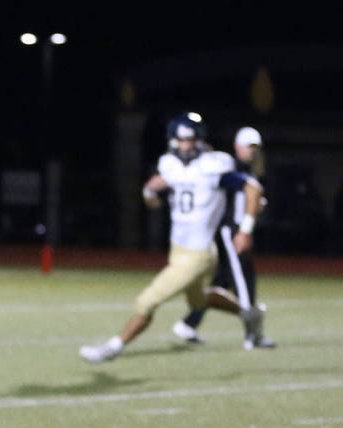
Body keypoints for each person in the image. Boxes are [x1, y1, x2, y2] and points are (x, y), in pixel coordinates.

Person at [79, 112, 266, 364]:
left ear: (199, 140)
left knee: (147, 301)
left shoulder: (213, 167)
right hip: (178, 249)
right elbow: (162, 181)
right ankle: (250, 314)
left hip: (198, 254)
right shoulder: (171, 164)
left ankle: (112, 347)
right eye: (181, 140)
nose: (185, 146)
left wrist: (245, 229)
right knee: (200, 300)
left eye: (190, 140)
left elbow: (253, 189)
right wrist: (149, 192)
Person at [172, 126, 275, 349]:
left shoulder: (249, 169)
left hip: (239, 229)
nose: (252, 151)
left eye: (255, 147)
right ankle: (252, 334)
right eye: (249, 147)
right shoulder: (228, 167)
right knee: (243, 281)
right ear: (237, 146)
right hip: (232, 230)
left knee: (222, 282)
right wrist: (242, 229)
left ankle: (188, 324)